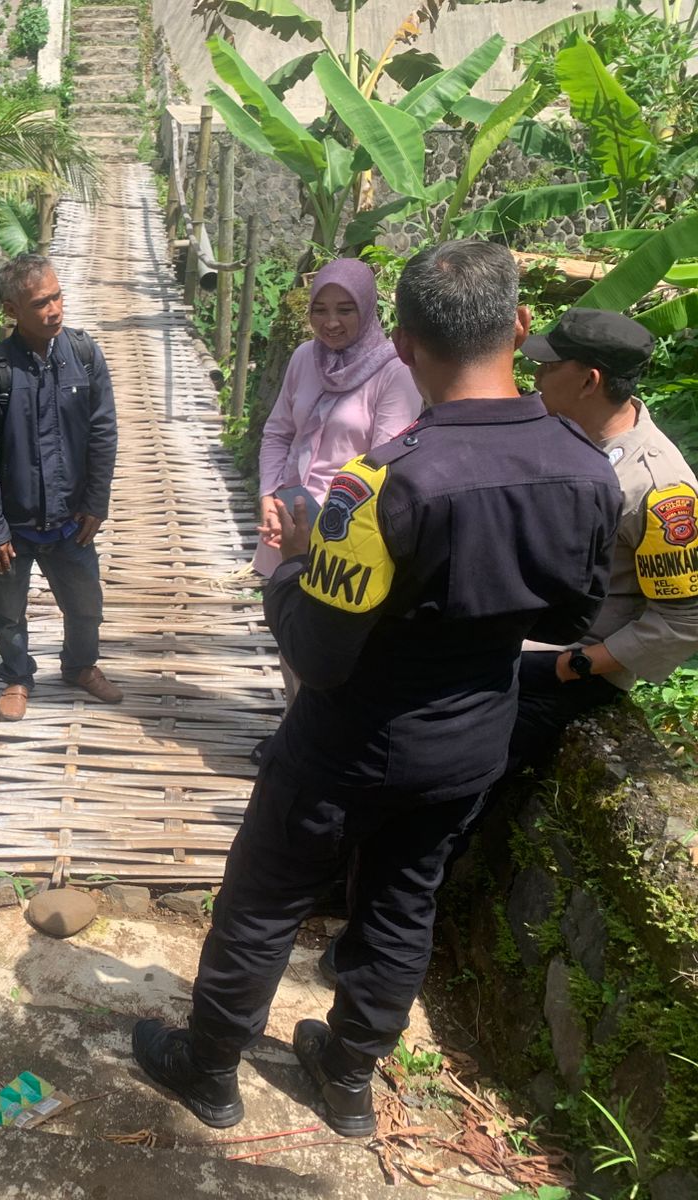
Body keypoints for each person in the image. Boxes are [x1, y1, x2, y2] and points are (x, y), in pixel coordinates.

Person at [130, 240, 620, 1138]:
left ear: (401, 341)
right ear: (517, 327)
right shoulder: (588, 472)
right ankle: (349, 1076)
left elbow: (318, 651)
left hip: (346, 741)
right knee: (403, 901)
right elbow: (577, 615)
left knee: (265, 896)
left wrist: (284, 563)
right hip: (472, 739)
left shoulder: (383, 484)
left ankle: (208, 1067)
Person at [511, 307, 698, 763]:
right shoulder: (561, 424)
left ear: (589, 382)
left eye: (550, 366)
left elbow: (684, 621)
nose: (536, 376)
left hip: (566, 662)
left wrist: (573, 666)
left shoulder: (657, 488)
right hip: (520, 633)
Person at [0, 252, 121, 722]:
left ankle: (80, 667)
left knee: (86, 605)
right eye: (39, 303)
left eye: (57, 297)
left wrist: (95, 502)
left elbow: (102, 432)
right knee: (9, 612)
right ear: (12, 310)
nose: (54, 310)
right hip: (14, 524)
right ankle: (16, 678)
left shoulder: (85, 357)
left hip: (72, 521)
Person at [255, 258, 422, 706]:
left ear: (368, 309)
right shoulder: (304, 358)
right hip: (289, 516)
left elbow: (386, 463)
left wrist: (325, 522)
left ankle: (314, 739)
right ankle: (292, 729)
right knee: (288, 624)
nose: (330, 323)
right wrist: (269, 497)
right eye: (320, 310)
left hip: (344, 529)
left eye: (345, 309)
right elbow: (278, 431)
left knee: (328, 638)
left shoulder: (394, 373)